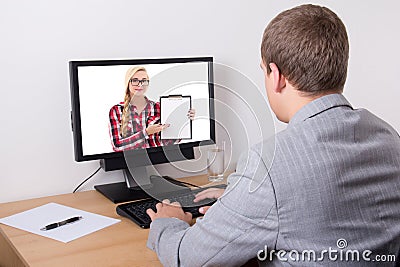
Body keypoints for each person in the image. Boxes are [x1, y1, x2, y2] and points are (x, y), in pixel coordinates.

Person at [146, 4, 400, 266]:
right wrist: (247, 203)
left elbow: (188, 259)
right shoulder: (388, 137)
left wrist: (167, 223)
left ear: (276, 76)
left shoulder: (269, 164)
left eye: (264, 70)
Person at [108, 66, 195, 151]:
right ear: (128, 83)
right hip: (130, 163)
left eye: (144, 81)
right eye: (135, 80)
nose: (140, 84)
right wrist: (146, 132)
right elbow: (117, 146)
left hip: (158, 161)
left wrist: (183, 121)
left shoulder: (158, 107)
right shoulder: (116, 111)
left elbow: (168, 142)